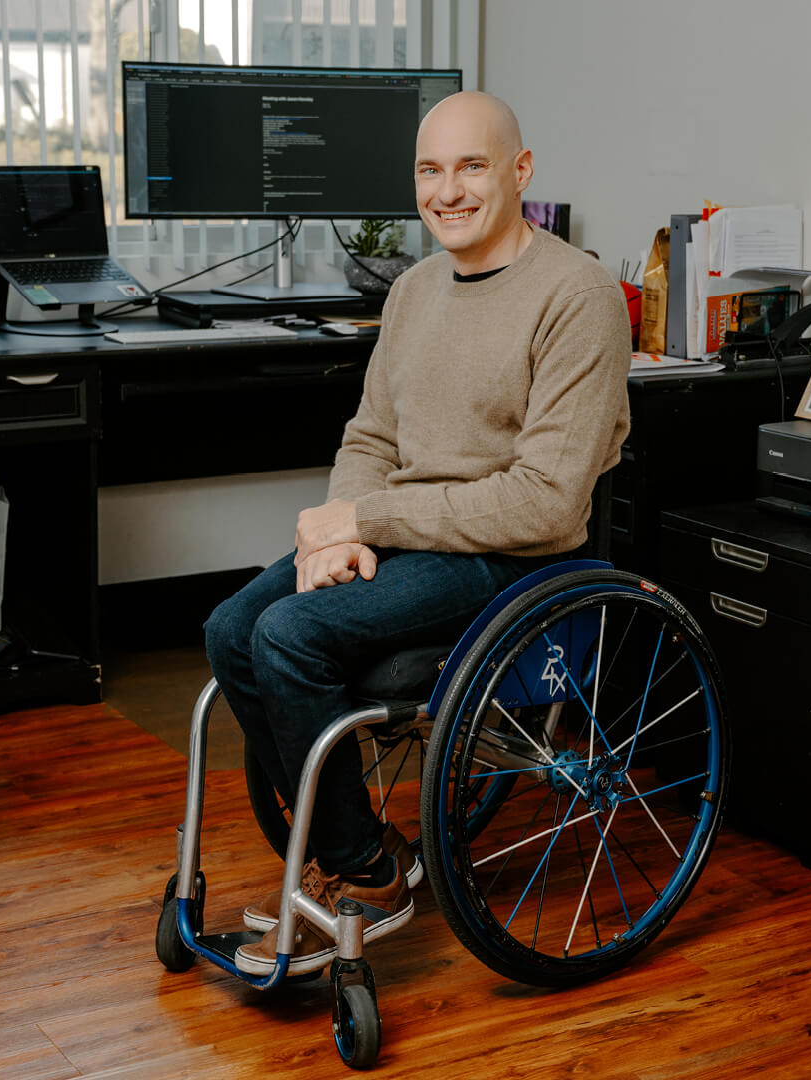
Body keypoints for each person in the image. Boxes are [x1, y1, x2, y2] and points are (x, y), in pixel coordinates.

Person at [202, 91, 633, 976]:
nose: (448, 191)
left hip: (505, 559)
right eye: (429, 171)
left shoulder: (578, 295)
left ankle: (365, 871)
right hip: (403, 532)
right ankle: (366, 847)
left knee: (287, 636)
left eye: (471, 166)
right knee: (229, 630)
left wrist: (369, 517)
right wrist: (340, 539)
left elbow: (546, 502)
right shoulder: (411, 290)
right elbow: (371, 439)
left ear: (520, 170)